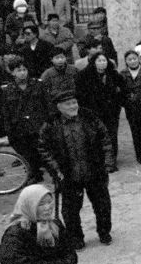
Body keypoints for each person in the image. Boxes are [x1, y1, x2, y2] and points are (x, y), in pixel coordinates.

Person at [38, 90, 116, 249]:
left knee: (103, 206)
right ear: (59, 107)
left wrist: (108, 162)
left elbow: (105, 140)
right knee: (70, 211)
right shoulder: (50, 124)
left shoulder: (90, 118)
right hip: (68, 175)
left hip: (95, 171)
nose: (74, 106)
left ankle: (104, 232)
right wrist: (55, 168)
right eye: (69, 104)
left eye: (75, 102)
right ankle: (76, 238)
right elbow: (42, 148)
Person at [0, 56, 50, 183]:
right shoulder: (8, 90)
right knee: (27, 155)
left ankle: (54, 174)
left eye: (24, 69)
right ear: (12, 72)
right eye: (18, 70)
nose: (22, 73)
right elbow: (6, 112)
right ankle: (34, 174)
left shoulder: (38, 84)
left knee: (45, 153)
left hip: (38, 125)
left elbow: (47, 105)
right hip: (20, 128)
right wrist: (8, 131)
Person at [75, 51, 125, 160]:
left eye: (104, 60)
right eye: (99, 61)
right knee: (97, 136)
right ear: (94, 62)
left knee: (111, 135)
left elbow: (122, 90)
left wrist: (117, 104)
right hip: (94, 111)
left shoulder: (113, 74)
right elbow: (80, 95)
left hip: (111, 111)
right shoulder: (84, 75)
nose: (102, 63)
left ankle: (112, 160)